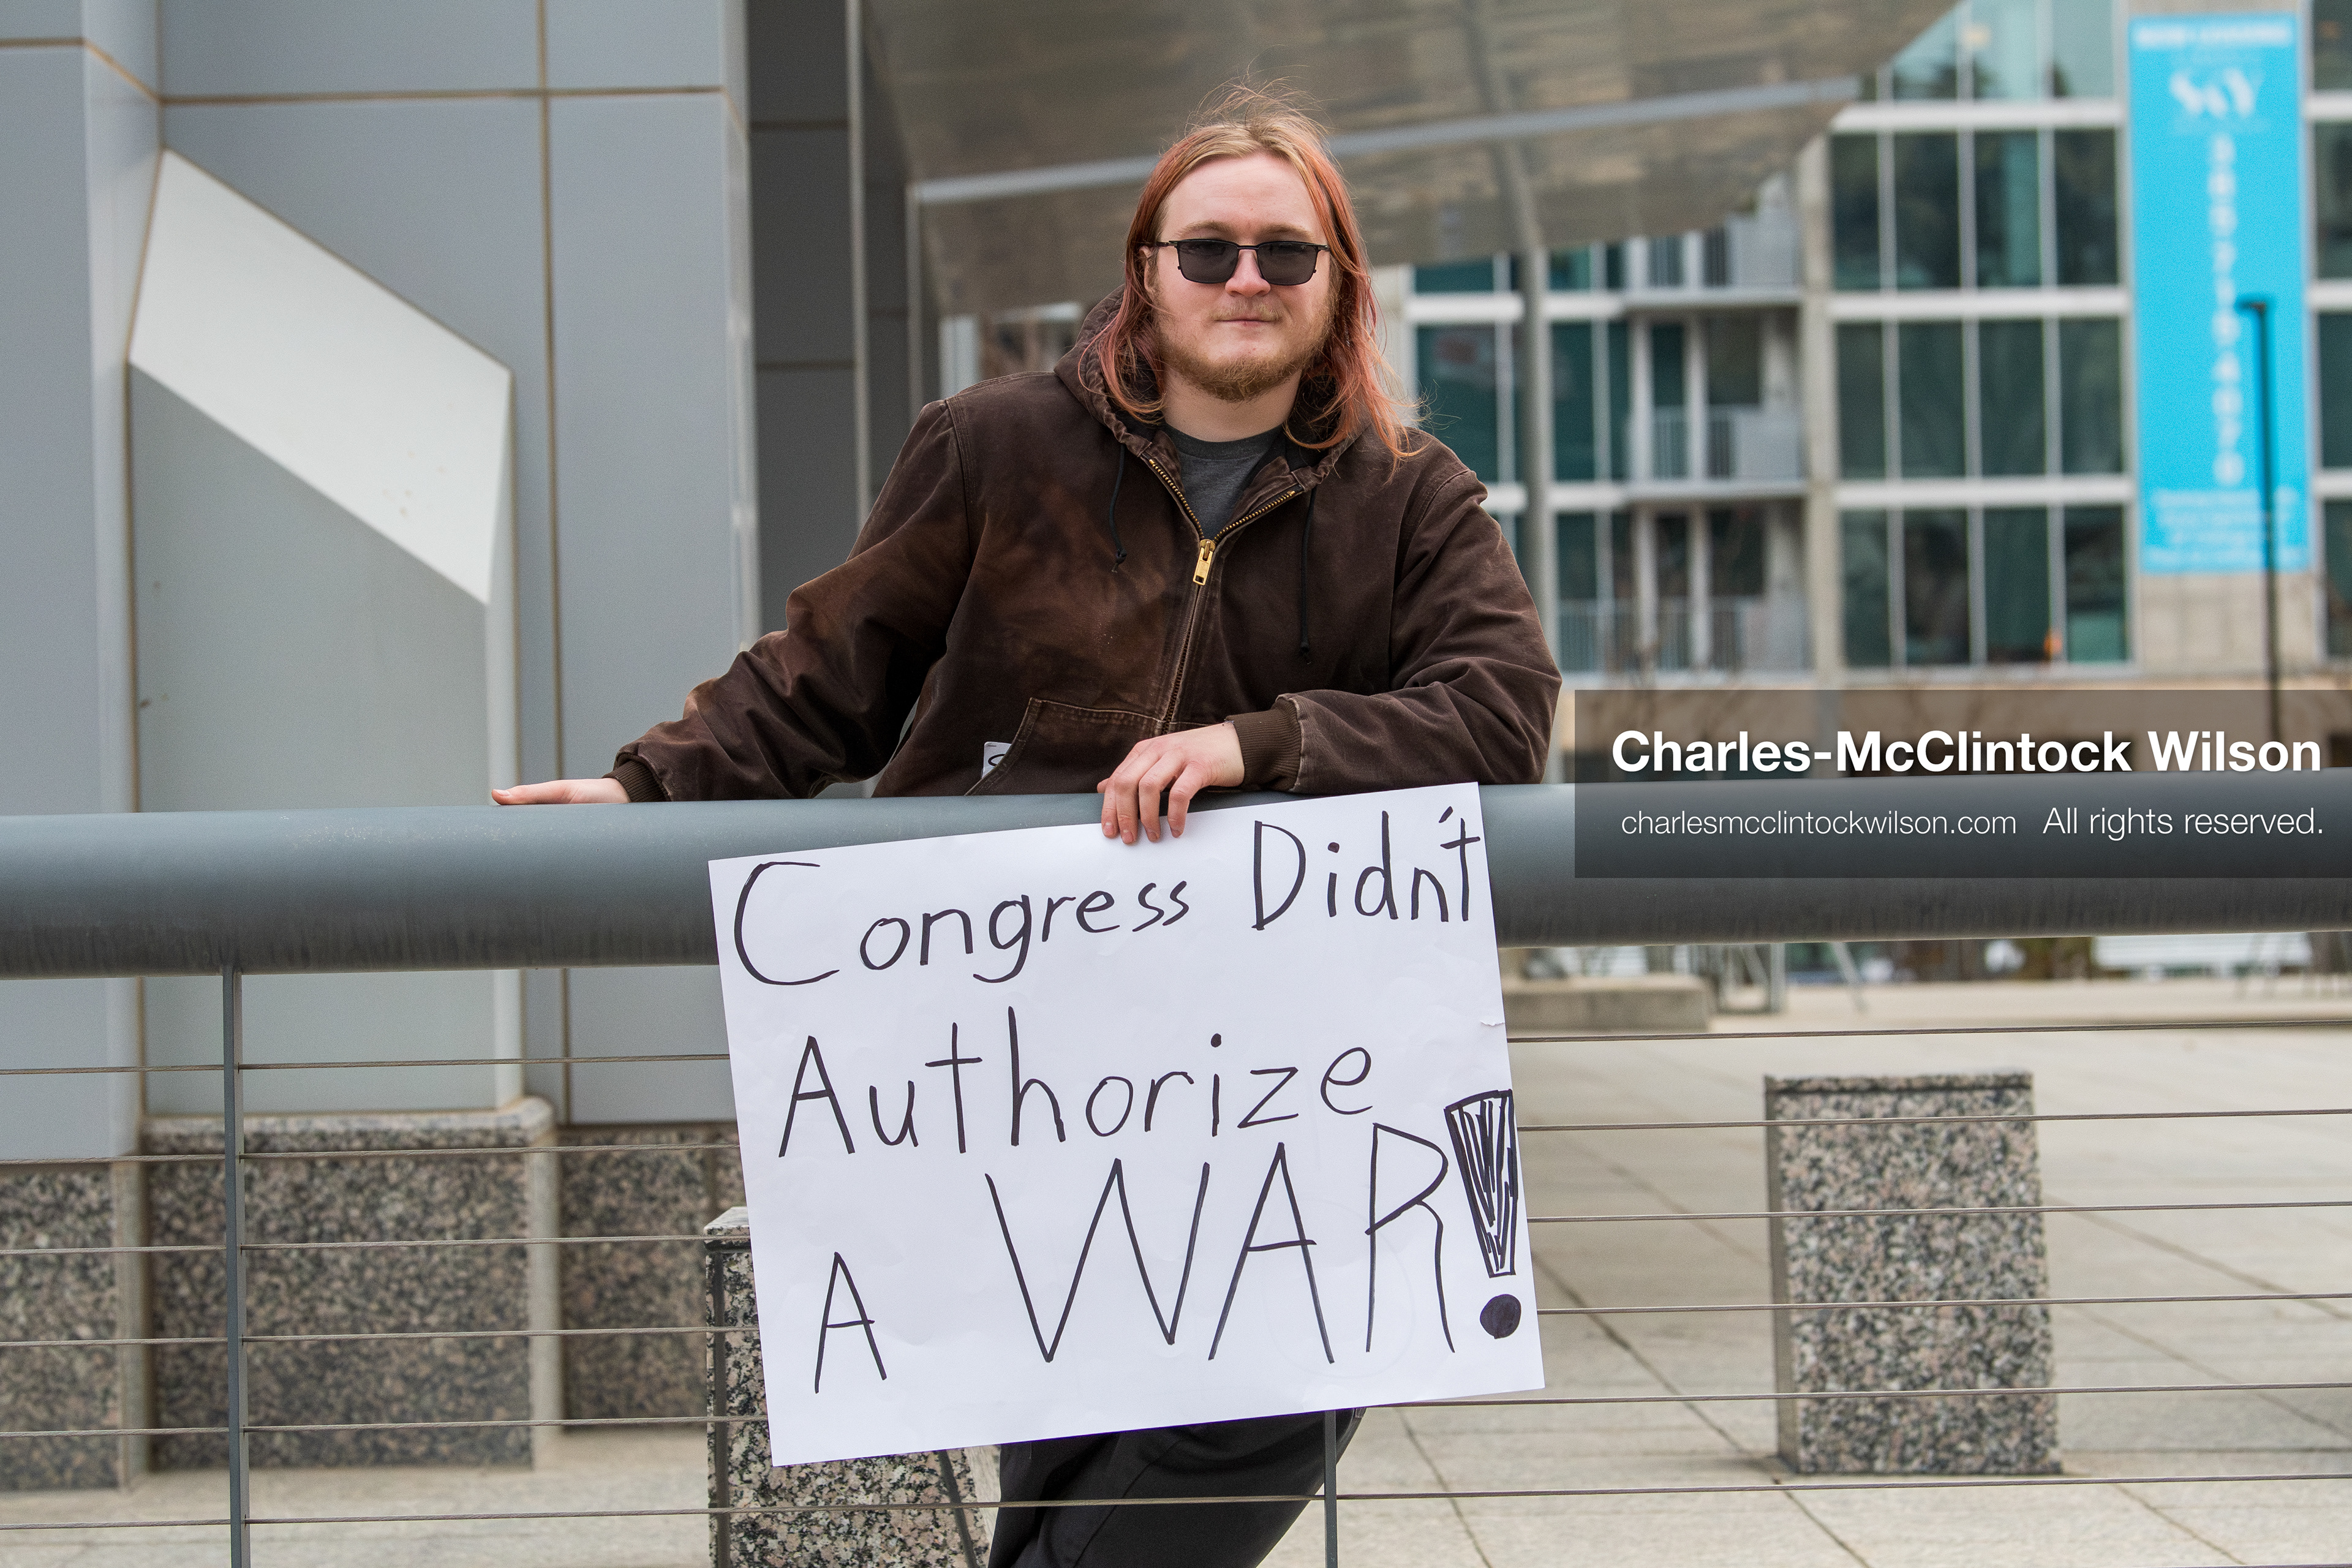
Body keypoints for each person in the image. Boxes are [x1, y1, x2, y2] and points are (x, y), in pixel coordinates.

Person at [497, 85, 1558, 1568]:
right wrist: (647, 784)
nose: (1244, 279)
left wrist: (1262, 743)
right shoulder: (995, 444)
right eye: (1206, 252)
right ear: (1144, 270)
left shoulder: (1411, 495)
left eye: (1283, 253)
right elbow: (828, 673)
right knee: (1065, 1430)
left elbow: (1503, 710)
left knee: (1305, 1363)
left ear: (1339, 284)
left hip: (1262, 1061)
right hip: (1007, 1045)